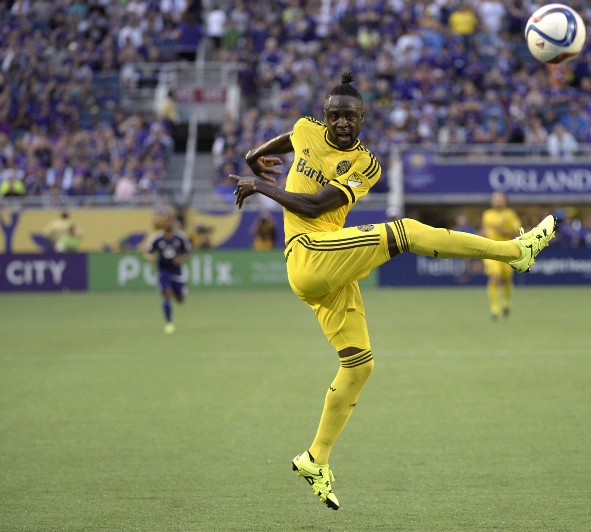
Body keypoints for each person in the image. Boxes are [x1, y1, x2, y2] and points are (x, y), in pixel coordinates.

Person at [229, 72, 557, 511]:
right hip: (307, 254)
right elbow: (293, 137)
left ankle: (315, 457)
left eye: (349, 116)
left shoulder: (367, 165)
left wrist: (261, 184)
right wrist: (255, 157)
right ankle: (514, 251)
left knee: (359, 366)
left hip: (323, 261)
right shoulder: (309, 129)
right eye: (334, 116)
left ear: (362, 118)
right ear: (324, 117)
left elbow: (314, 205)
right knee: (406, 231)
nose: (341, 123)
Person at [144, 212, 192, 334]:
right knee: (167, 293)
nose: (167, 223)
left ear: (173, 223)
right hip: (163, 270)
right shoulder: (157, 238)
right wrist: (152, 258)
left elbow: (188, 252)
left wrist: (181, 259)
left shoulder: (181, 238)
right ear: (162, 223)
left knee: (180, 299)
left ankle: (179, 294)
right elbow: (147, 253)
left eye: (169, 220)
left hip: (177, 271)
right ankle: (169, 323)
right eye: (165, 221)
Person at [480, 192, 521, 320]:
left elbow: (518, 233)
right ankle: (495, 308)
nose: (498, 201)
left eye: (500, 199)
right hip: (491, 250)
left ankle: (507, 303)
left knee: (507, 279)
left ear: (505, 201)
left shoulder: (511, 215)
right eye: (495, 199)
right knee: (495, 276)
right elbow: (484, 230)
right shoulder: (487, 214)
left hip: (507, 250)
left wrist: (503, 231)